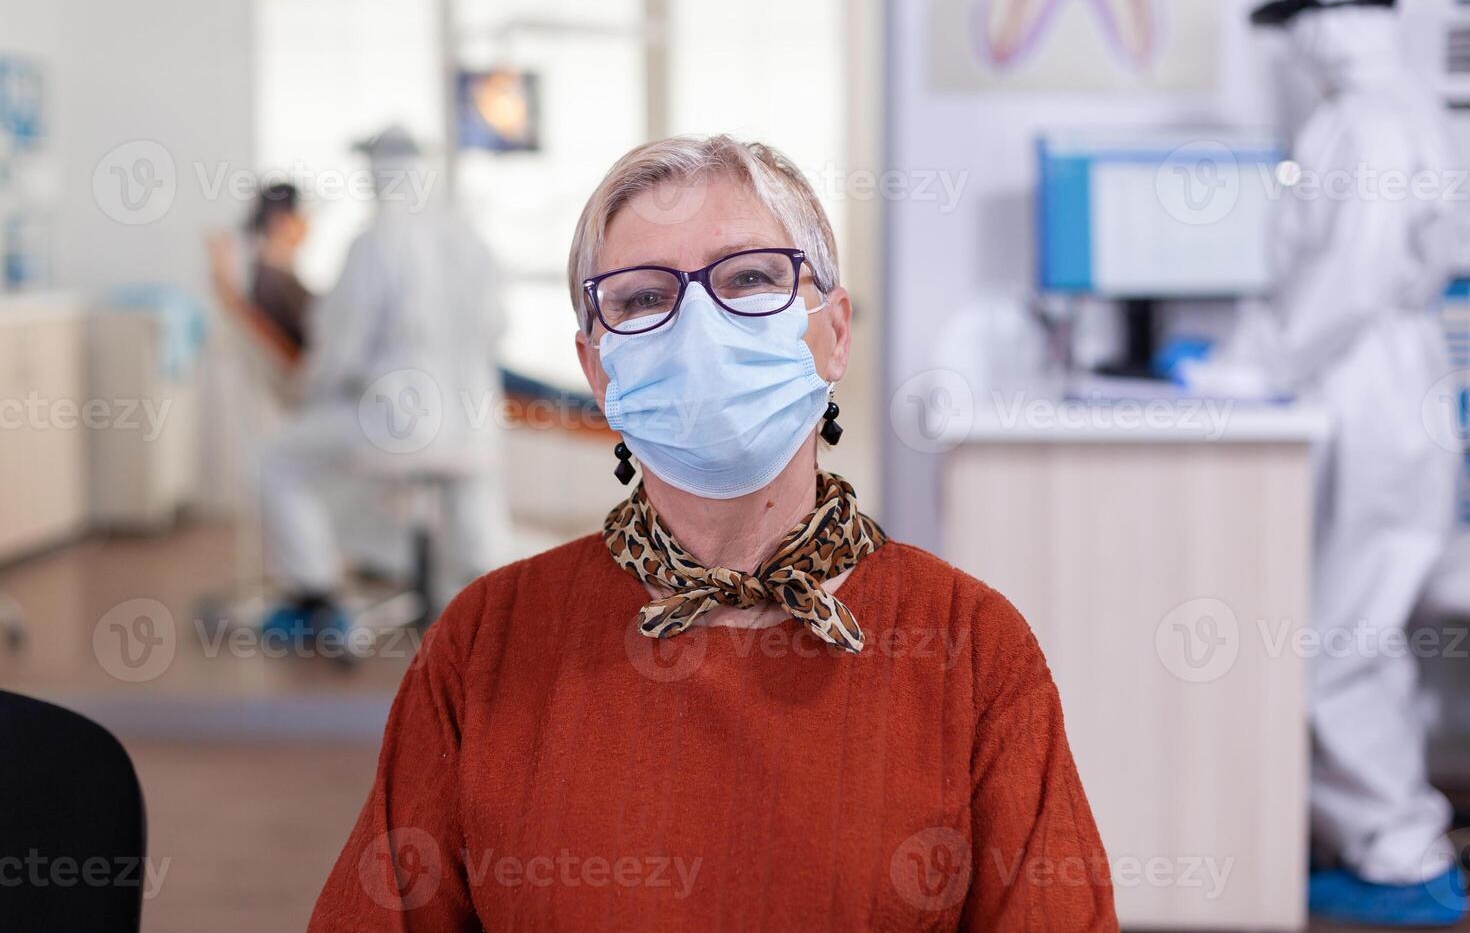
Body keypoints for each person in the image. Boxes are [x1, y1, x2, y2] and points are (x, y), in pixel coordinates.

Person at [308, 136, 1118, 930]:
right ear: (597, 370)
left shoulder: (971, 649)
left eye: (752, 279)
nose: (698, 326)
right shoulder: (486, 642)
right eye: (642, 298)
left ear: (834, 332)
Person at [1185, 0, 1467, 925]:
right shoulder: (1393, 108)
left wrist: (1253, 367)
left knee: (1344, 633)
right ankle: (1390, 838)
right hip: (1394, 384)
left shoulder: (1365, 122)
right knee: (1361, 623)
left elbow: (1349, 274)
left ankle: (1402, 858)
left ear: (1328, 20)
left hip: (1373, 388)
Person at [257, 125, 508, 638]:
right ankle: (498, 617)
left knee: (276, 459)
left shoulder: (372, 244)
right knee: (469, 499)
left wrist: (307, 393)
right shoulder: (469, 239)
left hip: (396, 424)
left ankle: (316, 592)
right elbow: (496, 327)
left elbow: (342, 349)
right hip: (473, 424)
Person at [248, 182, 314, 352]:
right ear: (279, 221)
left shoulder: (268, 275)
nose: (308, 223)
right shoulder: (273, 282)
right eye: (302, 215)